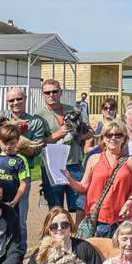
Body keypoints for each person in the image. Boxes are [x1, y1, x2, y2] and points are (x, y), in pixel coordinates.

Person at [67, 119, 132, 238]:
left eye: (118, 135)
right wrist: (68, 178)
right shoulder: (94, 159)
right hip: (97, 220)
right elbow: (83, 187)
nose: (113, 138)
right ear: (103, 138)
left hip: (121, 220)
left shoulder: (130, 161)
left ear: (124, 139)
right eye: (109, 135)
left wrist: (129, 202)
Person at [38, 79, 87, 218]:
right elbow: (38, 142)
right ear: (43, 94)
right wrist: (59, 133)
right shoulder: (38, 116)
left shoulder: (73, 111)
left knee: (80, 205)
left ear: (60, 92)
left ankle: (78, 237)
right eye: (47, 92)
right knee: (55, 208)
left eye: (55, 91)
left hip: (73, 164)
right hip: (52, 167)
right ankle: (57, 238)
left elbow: (86, 133)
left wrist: (78, 136)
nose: (51, 95)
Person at [0, 123, 32, 226]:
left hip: (14, 201)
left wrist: (15, 200)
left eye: (12, 143)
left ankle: (21, 242)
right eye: (5, 143)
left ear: (17, 142)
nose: (8, 146)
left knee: (17, 225)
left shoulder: (20, 160)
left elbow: (23, 183)